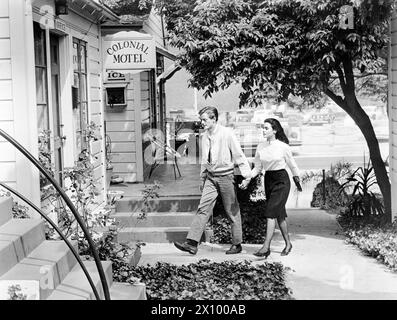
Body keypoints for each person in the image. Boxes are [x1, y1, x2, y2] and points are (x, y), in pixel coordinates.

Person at [174, 106, 252, 255]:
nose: (202, 123)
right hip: (210, 177)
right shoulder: (204, 136)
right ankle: (191, 243)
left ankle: (237, 244)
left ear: (214, 119)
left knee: (232, 211)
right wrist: (202, 179)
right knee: (203, 208)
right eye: (201, 120)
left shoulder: (227, 134)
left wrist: (247, 176)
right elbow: (205, 159)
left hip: (226, 177)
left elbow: (239, 155)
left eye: (204, 120)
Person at [240, 118, 300, 258]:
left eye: (266, 128)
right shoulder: (261, 146)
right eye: (262, 128)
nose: (263, 130)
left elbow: (292, 164)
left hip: (282, 181)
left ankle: (266, 247)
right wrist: (247, 179)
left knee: (270, 213)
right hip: (269, 181)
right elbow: (257, 168)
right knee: (279, 215)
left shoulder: (283, 146)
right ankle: (288, 244)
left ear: (274, 130)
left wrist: (297, 179)